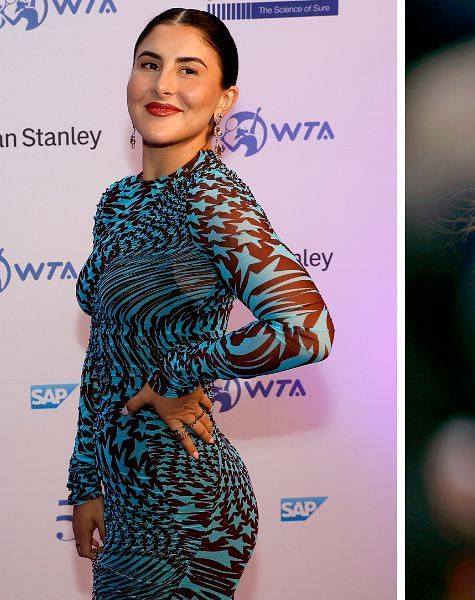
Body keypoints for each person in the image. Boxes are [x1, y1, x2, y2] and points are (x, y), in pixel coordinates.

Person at [66, 8, 334, 599]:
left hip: (187, 501)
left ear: (223, 98)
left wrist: (179, 370)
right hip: (127, 492)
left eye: (189, 70)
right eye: (149, 65)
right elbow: (106, 352)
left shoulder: (214, 200)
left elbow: (307, 329)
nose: (163, 85)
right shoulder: (117, 201)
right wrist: (86, 480)